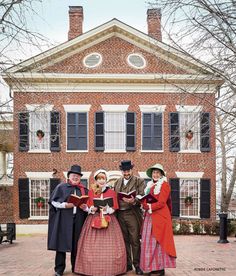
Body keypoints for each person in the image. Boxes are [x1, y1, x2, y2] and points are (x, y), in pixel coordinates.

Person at [74, 169, 126, 276]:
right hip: (94, 218)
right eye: (99, 179)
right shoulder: (91, 191)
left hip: (108, 219)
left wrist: (107, 209)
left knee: (112, 246)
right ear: (96, 180)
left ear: (106, 180)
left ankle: (112, 269)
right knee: (90, 245)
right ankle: (89, 268)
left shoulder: (111, 192)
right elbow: (87, 206)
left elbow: (115, 207)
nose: (101, 181)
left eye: (103, 178)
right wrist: (90, 209)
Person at [47, 164, 88, 276]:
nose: (75, 177)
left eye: (78, 176)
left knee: (77, 244)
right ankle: (59, 269)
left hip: (79, 219)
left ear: (80, 178)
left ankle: (76, 267)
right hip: (64, 219)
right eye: (73, 175)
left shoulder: (84, 190)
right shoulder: (61, 187)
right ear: (69, 176)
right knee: (61, 244)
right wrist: (65, 205)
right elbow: (53, 202)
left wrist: (86, 207)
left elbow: (88, 205)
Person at [140, 163, 176, 276]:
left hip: (160, 217)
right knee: (148, 242)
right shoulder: (149, 185)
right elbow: (147, 200)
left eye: (157, 172)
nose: (155, 174)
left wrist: (149, 206)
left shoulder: (164, 185)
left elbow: (161, 202)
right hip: (149, 216)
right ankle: (150, 266)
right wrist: (143, 203)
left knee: (158, 242)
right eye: (154, 172)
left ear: (161, 174)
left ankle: (160, 268)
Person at [114, 160, 145, 275]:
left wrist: (134, 200)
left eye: (128, 170)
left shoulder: (139, 181)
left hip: (132, 213)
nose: (126, 173)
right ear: (122, 171)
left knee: (135, 240)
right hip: (120, 214)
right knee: (124, 240)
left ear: (131, 170)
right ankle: (127, 264)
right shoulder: (117, 182)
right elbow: (114, 196)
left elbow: (141, 195)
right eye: (124, 171)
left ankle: (137, 265)